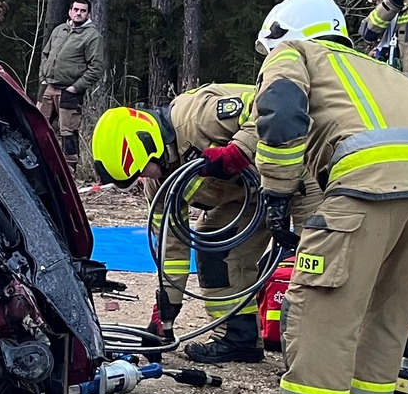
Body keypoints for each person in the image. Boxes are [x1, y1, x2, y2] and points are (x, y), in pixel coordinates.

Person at [226, 0, 408, 394]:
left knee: (321, 309)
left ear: (284, 32)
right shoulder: (378, 69)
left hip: (370, 178)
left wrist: (277, 189)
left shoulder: (296, 52)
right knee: (386, 312)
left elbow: (281, 112)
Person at [91, 87, 289, 364]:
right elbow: (171, 246)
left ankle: (312, 356)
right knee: (214, 246)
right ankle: (239, 337)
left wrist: (237, 152)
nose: (144, 178)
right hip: (249, 196)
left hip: (297, 173)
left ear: (149, 145)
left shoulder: (198, 118)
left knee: (316, 260)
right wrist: (166, 306)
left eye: (141, 170)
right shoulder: (159, 185)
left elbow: (275, 108)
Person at [38, 0, 102, 161]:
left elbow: (96, 68)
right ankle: (40, 162)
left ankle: (70, 168)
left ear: (88, 14)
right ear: (70, 11)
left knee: (68, 132)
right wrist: (43, 78)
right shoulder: (59, 30)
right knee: (37, 125)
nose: (78, 13)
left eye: (83, 10)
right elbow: (45, 54)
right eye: (76, 9)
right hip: (47, 87)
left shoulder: (92, 36)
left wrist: (75, 87)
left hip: (68, 91)